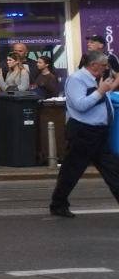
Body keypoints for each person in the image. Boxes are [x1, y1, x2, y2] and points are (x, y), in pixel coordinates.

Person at [49, 49, 119, 217]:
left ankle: (58, 203)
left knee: (113, 169)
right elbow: (80, 105)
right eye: (103, 66)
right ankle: (58, 204)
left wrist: (106, 89)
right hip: (83, 131)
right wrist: (101, 91)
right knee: (72, 170)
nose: (105, 68)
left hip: (99, 132)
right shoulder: (77, 79)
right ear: (93, 65)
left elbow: (103, 100)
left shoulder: (97, 79)